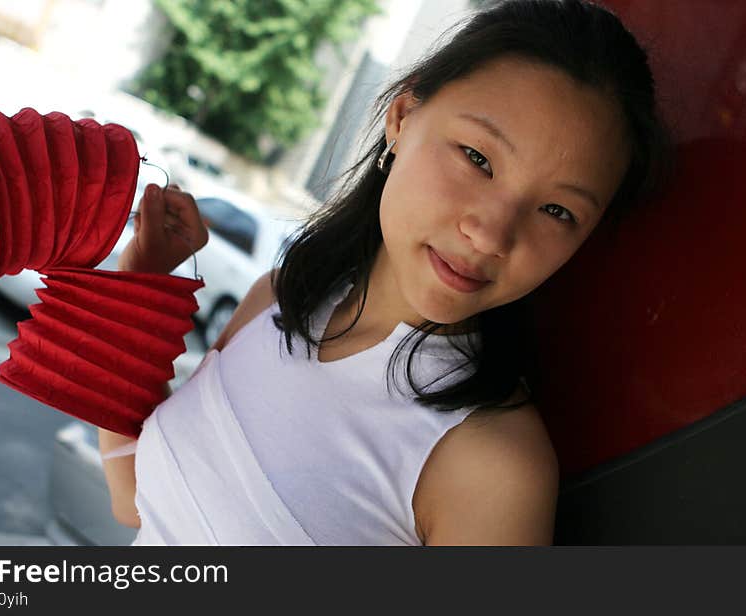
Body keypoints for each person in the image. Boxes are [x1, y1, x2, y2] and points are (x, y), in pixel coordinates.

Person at [99, 0, 671, 545]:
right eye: (478, 158)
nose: (492, 235)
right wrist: (137, 291)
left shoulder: (491, 465)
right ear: (402, 117)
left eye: (558, 211)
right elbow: (134, 499)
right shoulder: (278, 298)